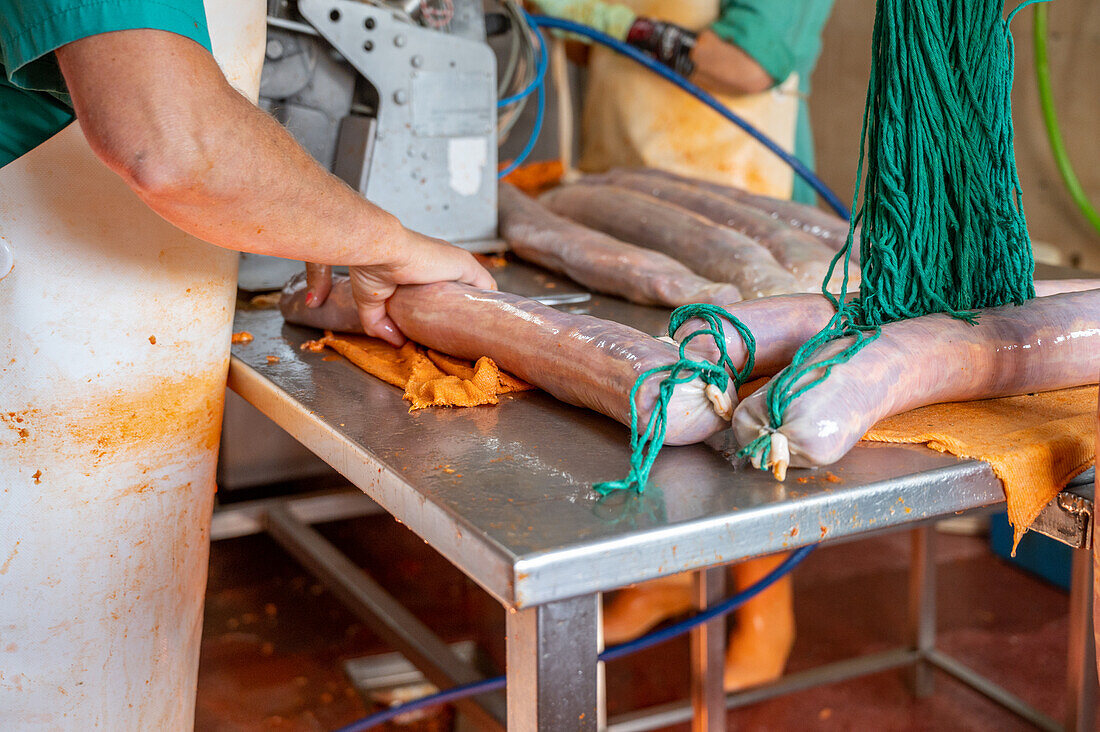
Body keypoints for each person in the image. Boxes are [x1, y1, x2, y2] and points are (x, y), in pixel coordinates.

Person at [0, 1, 492, 726]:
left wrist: (312, 220)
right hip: (31, 349)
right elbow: (172, 141)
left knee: (110, 665)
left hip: (110, 355)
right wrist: (390, 245)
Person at [532, 0, 835, 690]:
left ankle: (764, 599)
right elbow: (584, 51)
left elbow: (749, 63)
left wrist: (606, 18)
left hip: (742, 196)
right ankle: (668, 577)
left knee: (752, 408)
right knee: (664, 397)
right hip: (628, 180)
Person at [536, 0, 833, 204]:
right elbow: (597, 56)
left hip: (735, 192)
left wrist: (615, 25)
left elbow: (745, 66)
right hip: (616, 178)